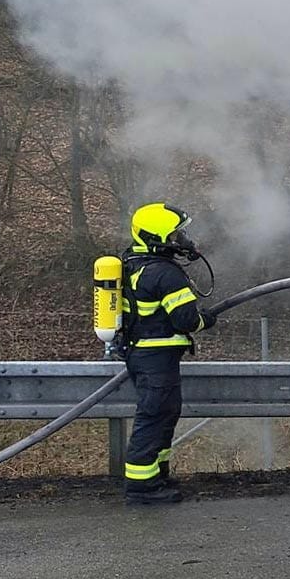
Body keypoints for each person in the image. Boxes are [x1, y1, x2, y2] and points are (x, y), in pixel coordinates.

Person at [119, 202, 216, 506]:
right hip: (156, 358)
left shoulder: (133, 263)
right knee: (153, 417)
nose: (182, 240)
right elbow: (186, 320)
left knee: (164, 414)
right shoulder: (165, 274)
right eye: (175, 235)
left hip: (144, 355)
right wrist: (206, 320)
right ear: (156, 238)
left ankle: (157, 476)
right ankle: (141, 488)